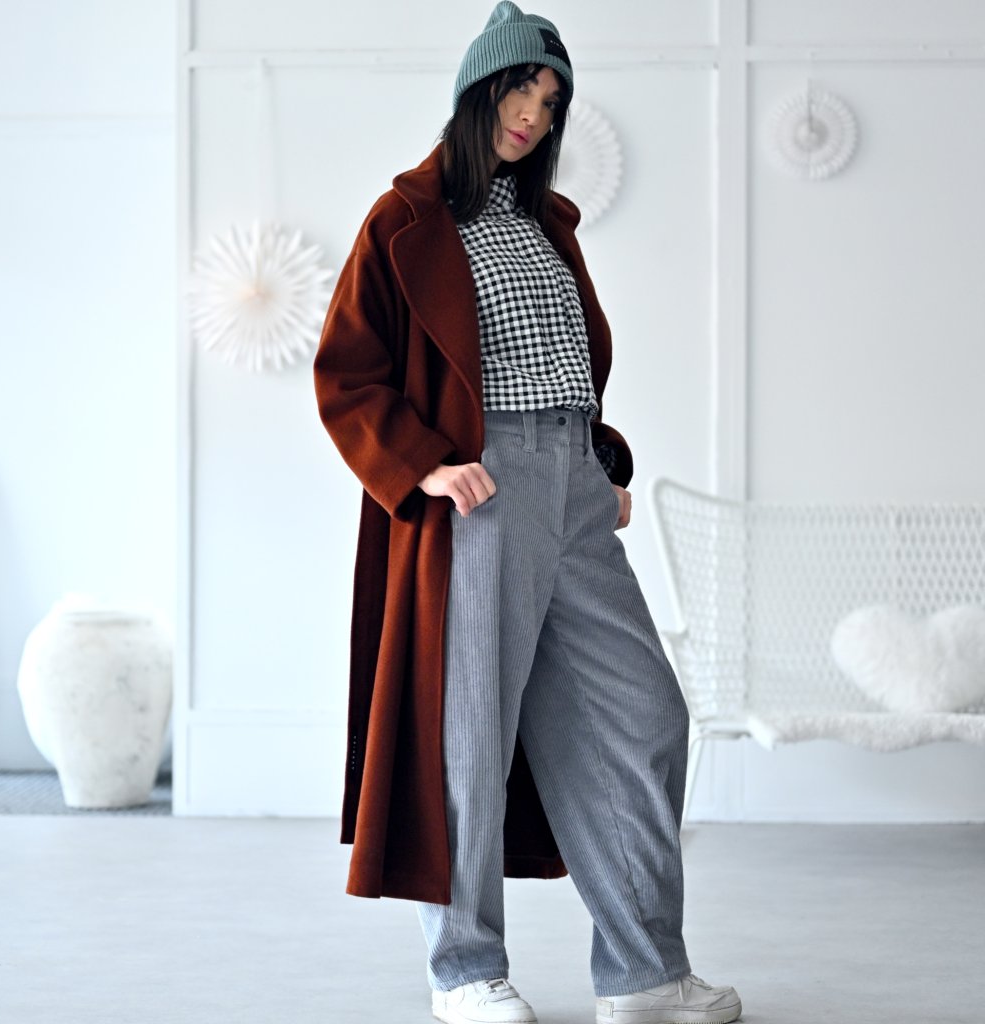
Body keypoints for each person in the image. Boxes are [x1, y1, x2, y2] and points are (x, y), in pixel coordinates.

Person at [313, 3, 743, 1023]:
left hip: (574, 490)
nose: (533, 114)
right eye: (520, 90)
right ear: (479, 89)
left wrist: (598, 464)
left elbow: (565, 366)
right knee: (468, 731)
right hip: (487, 489)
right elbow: (347, 372)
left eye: (551, 102)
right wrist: (424, 465)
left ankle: (644, 975)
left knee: (643, 712)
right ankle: (464, 971)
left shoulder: (547, 225)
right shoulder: (404, 221)